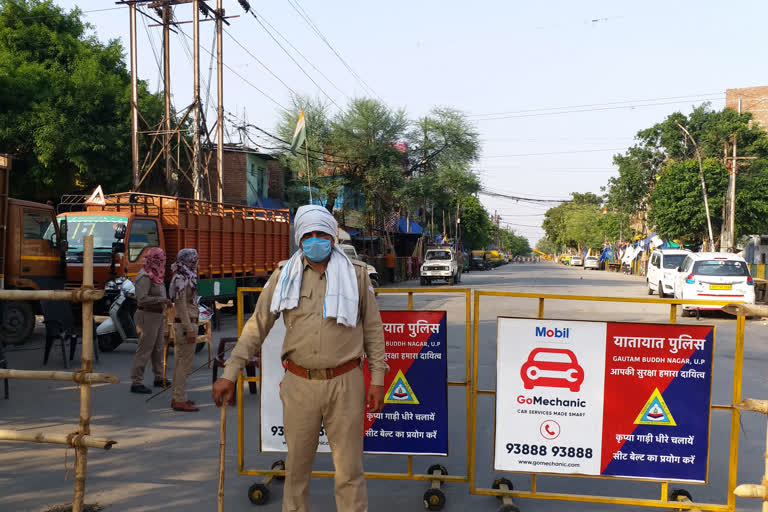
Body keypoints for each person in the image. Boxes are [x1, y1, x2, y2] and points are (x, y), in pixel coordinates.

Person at [213, 204, 388, 512]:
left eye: (322, 234)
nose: (316, 240)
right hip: (299, 383)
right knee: (296, 469)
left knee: (349, 471)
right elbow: (257, 326)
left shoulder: (356, 276)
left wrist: (377, 379)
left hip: (346, 383)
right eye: (309, 235)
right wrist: (230, 373)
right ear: (299, 239)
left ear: (333, 238)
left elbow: (373, 332)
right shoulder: (284, 275)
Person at [130, 247, 171, 394]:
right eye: (160, 260)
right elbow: (142, 298)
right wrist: (161, 300)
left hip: (158, 315)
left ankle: (159, 377)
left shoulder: (157, 274)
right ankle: (136, 381)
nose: (163, 262)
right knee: (145, 349)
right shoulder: (145, 276)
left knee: (158, 349)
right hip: (147, 315)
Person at [169, 248, 200, 412]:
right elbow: (180, 305)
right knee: (184, 365)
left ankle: (178, 397)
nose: (196, 262)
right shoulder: (181, 278)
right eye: (194, 259)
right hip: (185, 324)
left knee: (181, 363)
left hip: (186, 322)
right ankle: (179, 399)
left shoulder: (186, 275)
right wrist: (189, 329)